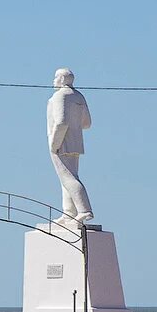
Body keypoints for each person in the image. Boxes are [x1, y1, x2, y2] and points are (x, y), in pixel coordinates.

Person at [47, 68, 94, 226]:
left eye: (55, 77)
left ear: (61, 79)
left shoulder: (60, 96)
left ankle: (84, 210)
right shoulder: (79, 96)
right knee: (67, 178)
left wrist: (54, 143)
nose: (53, 80)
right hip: (76, 141)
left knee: (68, 178)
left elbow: (61, 122)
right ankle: (69, 213)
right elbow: (86, 123)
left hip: (62, 142)